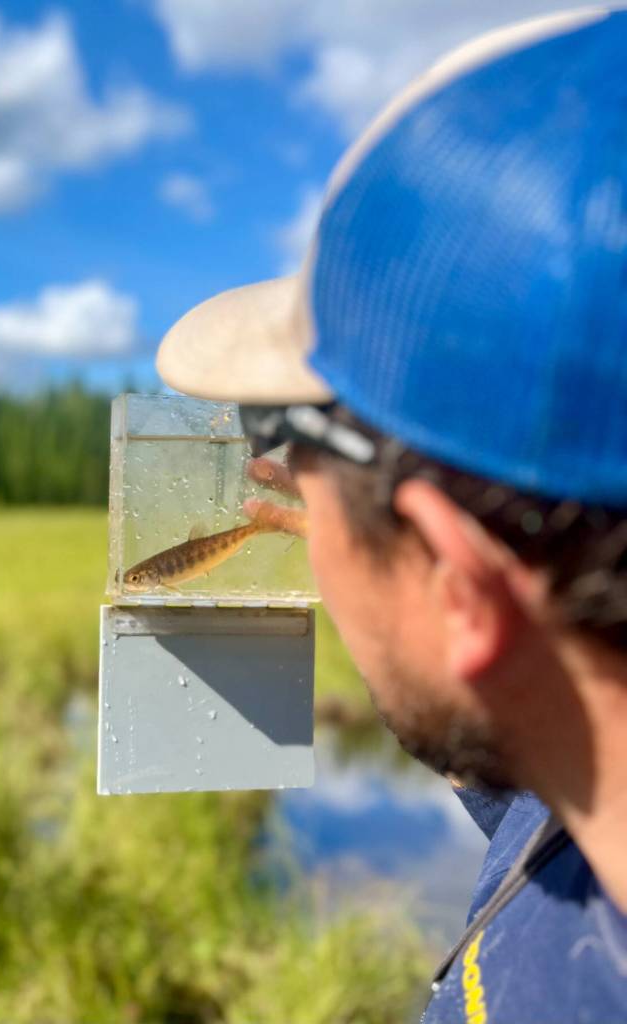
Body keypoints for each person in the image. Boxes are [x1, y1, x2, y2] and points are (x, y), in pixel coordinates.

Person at [154, 7, 627, 1022]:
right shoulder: (584, 798)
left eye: (306, 436)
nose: (281, 468)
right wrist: (380, 562)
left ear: (462, 585)